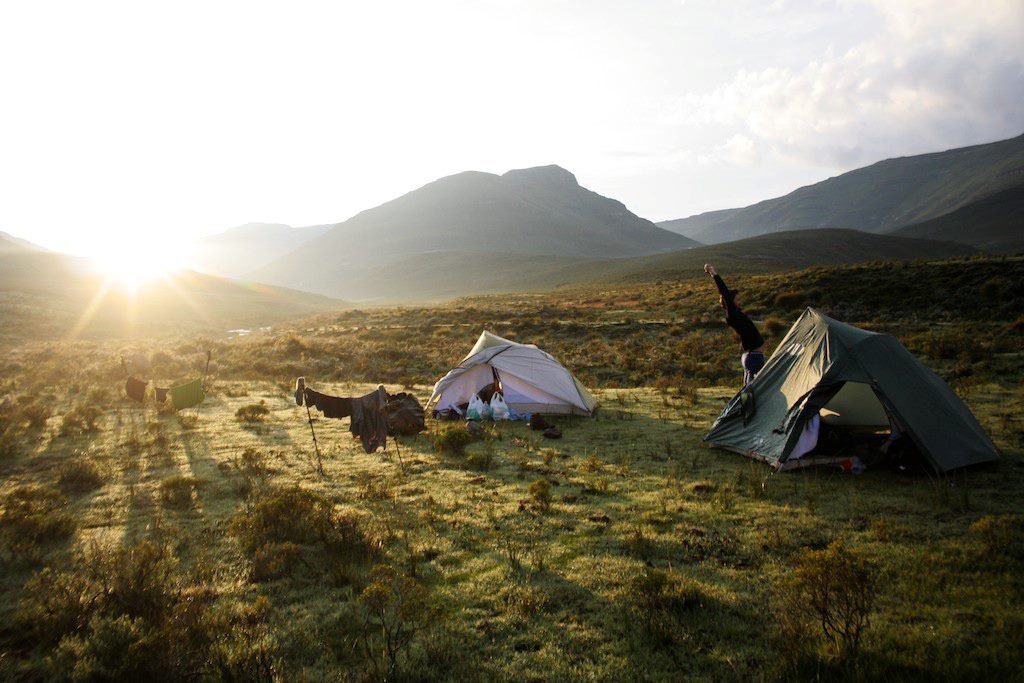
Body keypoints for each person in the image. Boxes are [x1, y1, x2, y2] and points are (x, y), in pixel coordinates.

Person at [704, 264, 765, 384]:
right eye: (737, 299)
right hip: (753, 357)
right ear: (730, 302)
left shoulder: (738, 314)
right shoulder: (733, 315)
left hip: (753, 356)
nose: (740, 301)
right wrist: (714, 274)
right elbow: (725, 293)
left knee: (751, 389)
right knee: (750, 390)